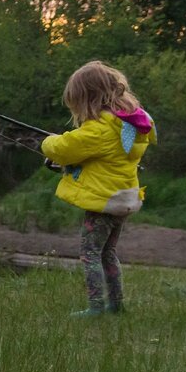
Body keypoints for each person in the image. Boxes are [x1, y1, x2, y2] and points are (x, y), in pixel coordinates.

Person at [40, 61, 157, 317]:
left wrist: (49, 140)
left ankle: (95, 308)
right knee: (108, 252)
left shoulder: (100, 129)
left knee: (90, 253)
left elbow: (62, 148)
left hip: (103, 202)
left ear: (88, 98)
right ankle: (116, 305)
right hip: (123, 199)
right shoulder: (130, 123)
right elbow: (100, 156)